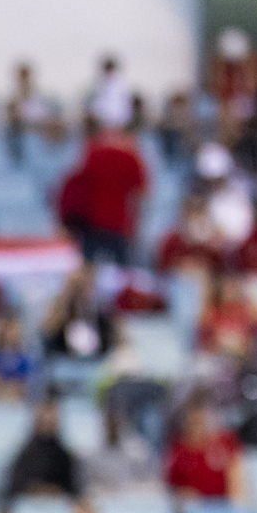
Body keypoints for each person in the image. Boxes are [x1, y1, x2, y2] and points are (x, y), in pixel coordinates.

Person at [57, 112, 149, 265]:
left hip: (93, 226)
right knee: (120, 279)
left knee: (90, 276)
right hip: (119, 228)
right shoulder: (131, 157)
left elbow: (72, 186)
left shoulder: (91, 153)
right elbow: (140, 197)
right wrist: (136, 229)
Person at [165, 396, 245, 502]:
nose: (198, 426)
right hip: (193, 508)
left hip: (223, 507)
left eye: (201, 421)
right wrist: (182, 495)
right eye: (194, 422)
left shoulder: (225, 442)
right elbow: (170, 486)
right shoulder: (178, 449)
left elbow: (237, 479)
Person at [3, 398, 81, 502]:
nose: (47, 425)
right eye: (44, 421)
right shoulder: (24, 456)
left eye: (51, 421)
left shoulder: (65, 457)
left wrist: (54, 492)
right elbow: (13, 488)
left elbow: (74, 489)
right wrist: (36, 491)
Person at [208, 28, 257, 151]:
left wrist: (245, 65)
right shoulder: (220, 68)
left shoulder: (250, 67)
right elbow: (215, 87)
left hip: (243, 105)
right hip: (226, 105)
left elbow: (255, 86)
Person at [39, 265, 113, 360]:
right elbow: (48, 331)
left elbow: (112, 336)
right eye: (76, 285)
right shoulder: (59, 306)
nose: (79, 289)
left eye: (83, 284)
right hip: (63, 361)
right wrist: (66, 303)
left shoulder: (99, 308)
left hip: (96, 359)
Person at [0, 314, 35, 401]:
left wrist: (12, 390)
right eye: (9, 330)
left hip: (17, 401)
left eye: (15, 330)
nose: (12, 334)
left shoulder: (24, 358)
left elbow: (24, 385)